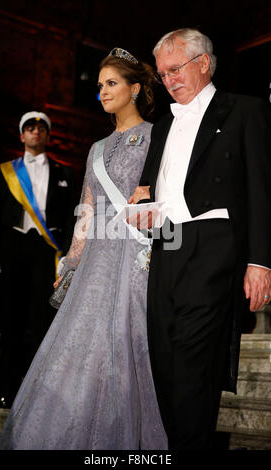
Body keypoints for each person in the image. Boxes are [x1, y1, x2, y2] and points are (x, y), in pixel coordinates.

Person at [0, 48, 167, 450]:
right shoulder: (96, 149)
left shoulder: (158, 136)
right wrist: (71, 262)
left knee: (129, 348)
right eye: (100, 86)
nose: (102, 92)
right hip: (96, 261)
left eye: (111, 84)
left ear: (135, 88)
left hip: (138, 257)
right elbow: (86, 213)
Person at [129, 28, 271, 450]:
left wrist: (261, 262)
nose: (168, 80)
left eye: (175, 69)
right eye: (162, 74)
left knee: (193, 365)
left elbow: (263, 190)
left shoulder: (245, 111)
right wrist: (142, 202)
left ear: (203, 63)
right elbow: (152, 190)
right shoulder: (160, 127)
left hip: (214, 247)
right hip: (165, 248)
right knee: (165, 360)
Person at [0, 112, 77, 408]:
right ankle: (6, 391)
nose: (36, 131)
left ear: (48, 135)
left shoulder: (65, 173)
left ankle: (38, 395)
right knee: (11, 319)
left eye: (41, 127)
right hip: (12, 249)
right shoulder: (4, 172)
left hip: (46, 251)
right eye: (30, 127)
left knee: (42, 322)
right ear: (22, 135)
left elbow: (71, 217)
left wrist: (66, 253)